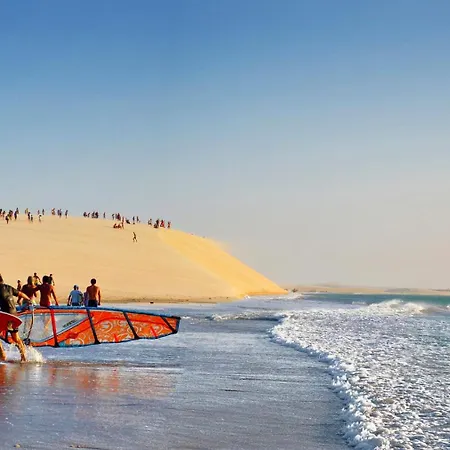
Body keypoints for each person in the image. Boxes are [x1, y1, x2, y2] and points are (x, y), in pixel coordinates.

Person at [0, 274, 31, 362]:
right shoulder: (9, 287)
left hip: (5, 316)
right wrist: (29, 300)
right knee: (16, 338)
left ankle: (2, 355)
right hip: (13, 315)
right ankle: (23, 357)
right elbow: (21, 294)